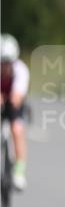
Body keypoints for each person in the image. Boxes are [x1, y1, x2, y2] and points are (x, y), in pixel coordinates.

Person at [1, 34, 29, 190]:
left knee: (17, 130)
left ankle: (19, 173)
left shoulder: (21, 70)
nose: (4, 67)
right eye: (1, 63)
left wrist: (9, 100)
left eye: (7, 63)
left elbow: (17, 96)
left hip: (13, 103)